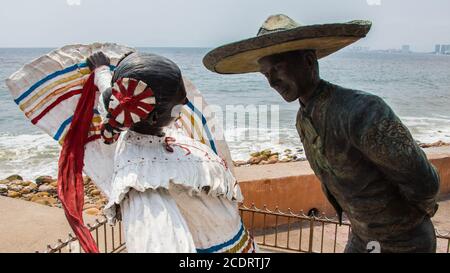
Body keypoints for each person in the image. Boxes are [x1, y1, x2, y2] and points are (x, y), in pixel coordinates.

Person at [203, 14, 440, 253]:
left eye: (277, 69)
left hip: (405, 242)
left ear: (308, 61)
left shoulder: (363, 111)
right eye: (266, 74)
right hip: (361, 236)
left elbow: (424, 182)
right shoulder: (303, 118)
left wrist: (406, 222)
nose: (272, 82)